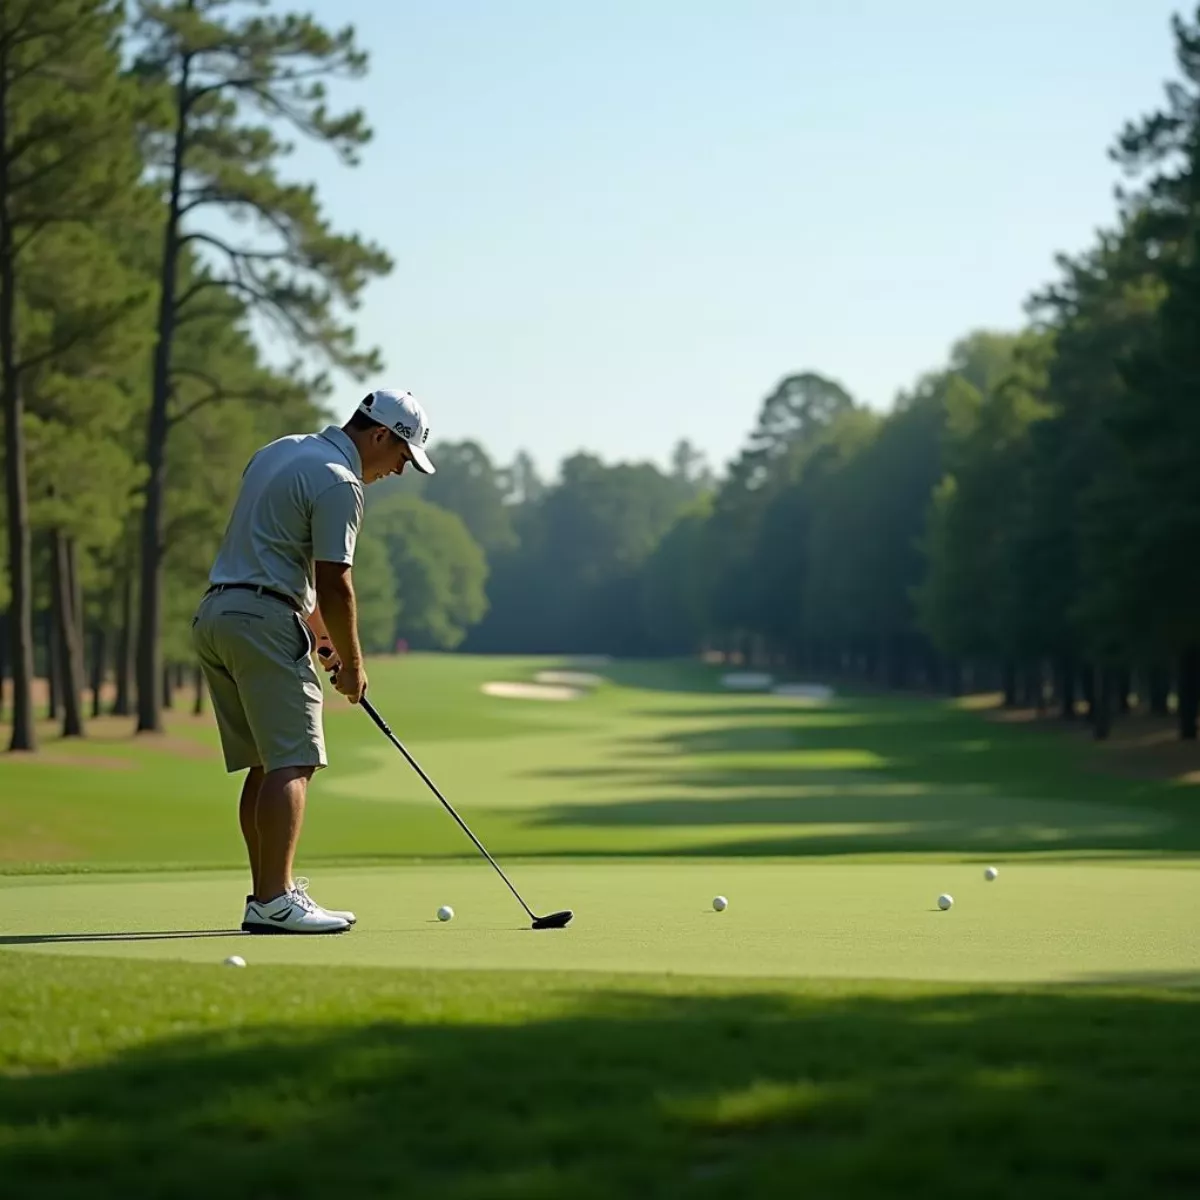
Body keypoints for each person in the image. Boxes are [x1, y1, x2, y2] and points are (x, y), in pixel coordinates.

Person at [192, 389, 435, 934]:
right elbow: (336, 582)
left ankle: (267, 896)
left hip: (218, 614)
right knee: (293, 761)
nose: (399, 470)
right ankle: (276, 899)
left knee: (265, 761)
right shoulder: (340, 482)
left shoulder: (281, 450)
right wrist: (352, 663)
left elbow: (276, 555)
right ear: (379, 435)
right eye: (402, 456)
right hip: (263, 622)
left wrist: (320, 636)